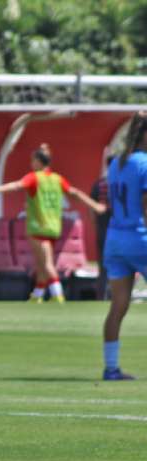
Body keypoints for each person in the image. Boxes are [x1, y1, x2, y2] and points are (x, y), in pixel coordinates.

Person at [0, 144, 105, 303]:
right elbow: (74, 193)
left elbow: (16, 185)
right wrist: (94, 205)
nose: (31, 163)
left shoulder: (34, 177)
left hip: (38, 226)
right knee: (41, 262)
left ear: (38, 161)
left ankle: (58, 294)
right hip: (54, 227)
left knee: (46, 263)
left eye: (33, 160)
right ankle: (37, 295)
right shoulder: (57, 179)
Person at [100, 112, 147, 380]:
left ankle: (111, 368)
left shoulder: (117, 163)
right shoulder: (145, 164)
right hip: (140, 238)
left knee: (118, 306)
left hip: (115, 239)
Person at [90, 159, 113, 300]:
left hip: (103, 229)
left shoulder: (99, 184)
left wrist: (95, 225)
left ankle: (102, 296)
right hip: (118, 230)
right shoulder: (123, 182)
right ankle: (112, 295)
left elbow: (92, 208)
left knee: (103, 264)